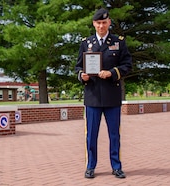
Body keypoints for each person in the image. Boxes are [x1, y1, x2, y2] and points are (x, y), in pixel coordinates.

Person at [75, 8, 132, 179]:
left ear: (109, 23)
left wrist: (112, 73)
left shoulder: (119, 42)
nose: (101, 26)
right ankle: (90, 166)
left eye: (104, 23)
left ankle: (116, 166)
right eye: (98, 23)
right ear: (94, 24)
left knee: (114, 135)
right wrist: (82, 76)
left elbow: (127, 65)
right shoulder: (86, 43)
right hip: (92, 97)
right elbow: (78, 66)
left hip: (112, 97)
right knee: (91, 135)